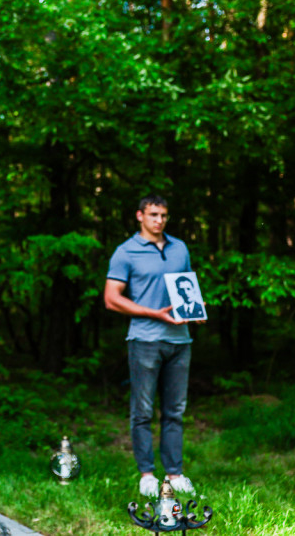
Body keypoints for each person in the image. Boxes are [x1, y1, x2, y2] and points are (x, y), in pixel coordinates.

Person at [104, 194, 202, 498]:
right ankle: (146, 474)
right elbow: (111, 298)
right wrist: (153, 312)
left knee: (175, 411)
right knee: (143, 411)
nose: (159, 220)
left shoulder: (179, 248)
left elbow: (184, 286)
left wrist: (194, 309)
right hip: (144, 340)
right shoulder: (125, 252)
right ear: (140, 216)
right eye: (154, 214)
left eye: (164, 215)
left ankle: (174, 474)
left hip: (180, 341)